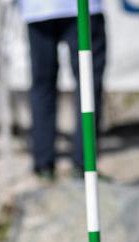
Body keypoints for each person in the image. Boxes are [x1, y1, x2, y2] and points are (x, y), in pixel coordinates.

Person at [21, 0, 106, 179]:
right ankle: (84, 165)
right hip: (82, 8)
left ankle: (44, 166)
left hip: (38, 9)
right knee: (88, 85)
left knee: (43, 86)